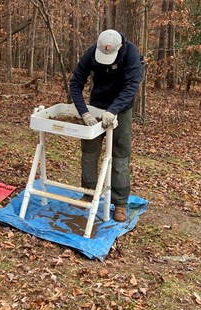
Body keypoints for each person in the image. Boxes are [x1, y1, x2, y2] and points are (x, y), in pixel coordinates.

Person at [69, 29, 143, 222]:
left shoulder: (131, 54)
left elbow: (132, 85)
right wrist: (84, 112)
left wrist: (114, 110)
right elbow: (76, 83)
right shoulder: (92, 53)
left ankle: (120, 203)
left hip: (121, 109)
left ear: (119, 48)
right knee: (89, 151)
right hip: (96, 106)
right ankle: (88, 192)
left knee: (119, 154)